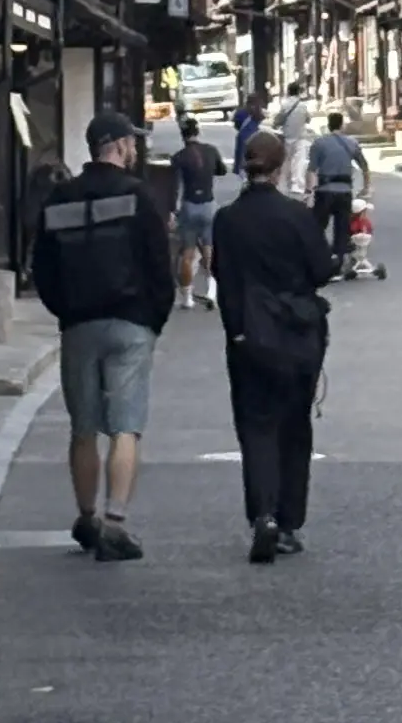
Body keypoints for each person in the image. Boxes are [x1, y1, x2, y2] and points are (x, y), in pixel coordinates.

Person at [28, 109, 176, 560]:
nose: (135, 148)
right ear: (117, 145)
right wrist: (153, 318)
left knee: (83, 428)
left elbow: (43, 268)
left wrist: (66, 311)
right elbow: (158, 264)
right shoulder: (138, 196)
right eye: (131, 141)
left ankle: (87, 516)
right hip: (131, 322)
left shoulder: (60, 199)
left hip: (79, 323)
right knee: (126, 427)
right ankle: (114, 522)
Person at [212, 127, 335, 561]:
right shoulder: (296, 216)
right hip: (297, 333)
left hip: (248, 333)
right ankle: (287, 522)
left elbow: (222, 277)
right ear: (282, 167)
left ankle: (261, 515)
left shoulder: (227, 219)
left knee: (256, 426)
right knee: (295, 427)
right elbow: (321, 270)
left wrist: (236, 328)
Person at [171, 114, 227, 308]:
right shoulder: (211, 151)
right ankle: (212, 292)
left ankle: (187, 298)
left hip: (189, 206)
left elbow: (176, 187)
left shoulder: (178, 157)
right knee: (209, 251)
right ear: (197, 132)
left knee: (187, 253)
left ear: (183, 135)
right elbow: (222, 171)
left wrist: (173, 211)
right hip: (209, 205)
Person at [305, 109, 368, 274]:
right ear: (342, 125)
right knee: (342, 229)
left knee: (317, 227)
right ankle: (339, 263)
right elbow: (364, 166)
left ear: (328, 125)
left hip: (325, 192)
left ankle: (318, 260)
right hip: (345, 191)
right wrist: (366, 187)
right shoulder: (352, 143)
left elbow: (312, 170)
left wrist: (309, 191)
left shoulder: (319, 143)